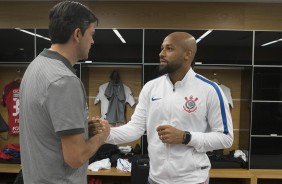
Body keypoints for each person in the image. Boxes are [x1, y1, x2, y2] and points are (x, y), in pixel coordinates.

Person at [98, 32, 234, 184]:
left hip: (192, 180)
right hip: (156, 179)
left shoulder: (210, 90)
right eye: (162, 48)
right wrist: (105, 134)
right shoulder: (151, 88)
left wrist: (186, 137)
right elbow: (135, 129)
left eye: (169, 48)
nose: (161, 53)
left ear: (187, 54)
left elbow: (226, 138)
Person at [19, 1, 110, 184]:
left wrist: (82, 128)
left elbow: (46, 127)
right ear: (77, 34)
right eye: (91, 34)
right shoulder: (64, 80)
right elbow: (75, 158)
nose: (92, 41)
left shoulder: (36, 66)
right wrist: (102, 136)